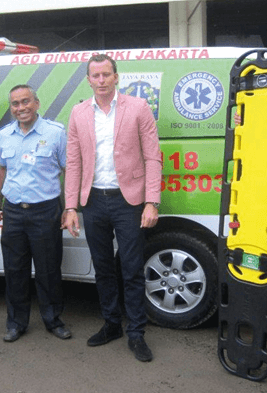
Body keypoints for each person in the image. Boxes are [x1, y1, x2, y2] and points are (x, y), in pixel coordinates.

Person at [63, 54, 162, 362]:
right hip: (93, 200)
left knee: (132, 269)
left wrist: (151, 202)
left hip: (127, 200)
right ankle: (111, 324)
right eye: (96, 75)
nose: (102, 80)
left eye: (107, 74)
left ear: (117, 77)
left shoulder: (138, 108)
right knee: (103, 267)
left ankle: (136, 333)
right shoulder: (79, 113)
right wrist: (70, 207)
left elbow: (152, 157)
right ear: (89, 80)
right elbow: (74, 162)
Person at [0, 84, 71, 343]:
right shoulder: (5, 135)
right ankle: (16, 323)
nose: (21, 108)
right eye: (15, 104)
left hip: (45, 212)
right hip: (13, 211)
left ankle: (53, 320)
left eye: (25, 102)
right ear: (11, 108)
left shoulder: (55, 133)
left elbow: (69, 170)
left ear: (36, 103)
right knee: (14, 271)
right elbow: (3, 169)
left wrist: (69, 207)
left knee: (48, 270)